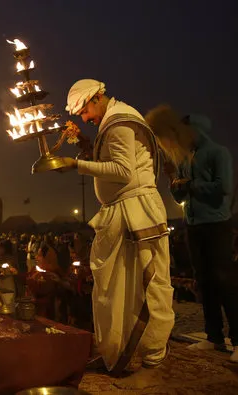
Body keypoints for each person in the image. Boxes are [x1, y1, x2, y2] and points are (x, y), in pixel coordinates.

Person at [58, 79, 175, 373]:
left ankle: (152, 353)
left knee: (149, 287)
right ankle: (120, 352)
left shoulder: (120, 122)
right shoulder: (112, 120)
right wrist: (86, 150)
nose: (84, 118)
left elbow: (123, 172)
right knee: (114, 288)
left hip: (137, 214)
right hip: (122, 213)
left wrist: (75, 165)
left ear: (97, 98)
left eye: (84, 111)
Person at [145, 104, 238, 363]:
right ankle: (213, 336)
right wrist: (174, 183)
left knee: (224, 280)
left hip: (216, 225)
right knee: (204, 281)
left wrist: (190, 184)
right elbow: (180, 194)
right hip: (193, 225)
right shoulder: (184, 158)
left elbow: (222, 187)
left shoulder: (217, 153)